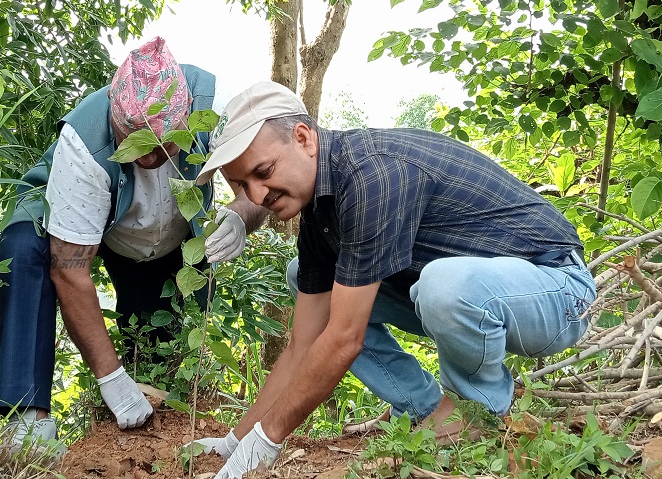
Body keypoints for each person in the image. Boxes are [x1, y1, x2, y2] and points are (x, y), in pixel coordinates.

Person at [190, 81, 597, 478]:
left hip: (557, 289)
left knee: (443, 285)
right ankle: (429, 410)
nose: (257, 195)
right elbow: (304, 343)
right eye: (242, 184)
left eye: (263, 172)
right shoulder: (319, 212)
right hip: (470, 300)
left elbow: (343, 339)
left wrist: (268, 440)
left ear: (303, 138)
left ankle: (479, 416)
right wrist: (238, 439)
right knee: (311, 280)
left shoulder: (373, 176)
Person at [0, 38, 268, 452]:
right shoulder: (84, 143)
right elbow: (69, 271)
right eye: (134, 145)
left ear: (185, 118)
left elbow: (262, 184)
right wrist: (109, 377)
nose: (150, 159)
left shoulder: (217, 111)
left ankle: (152, 423)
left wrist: (240, 215)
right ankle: (28, 423)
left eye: (162, 148)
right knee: (23, 248)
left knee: (157, 349)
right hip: (85, 224)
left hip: (168, 238)